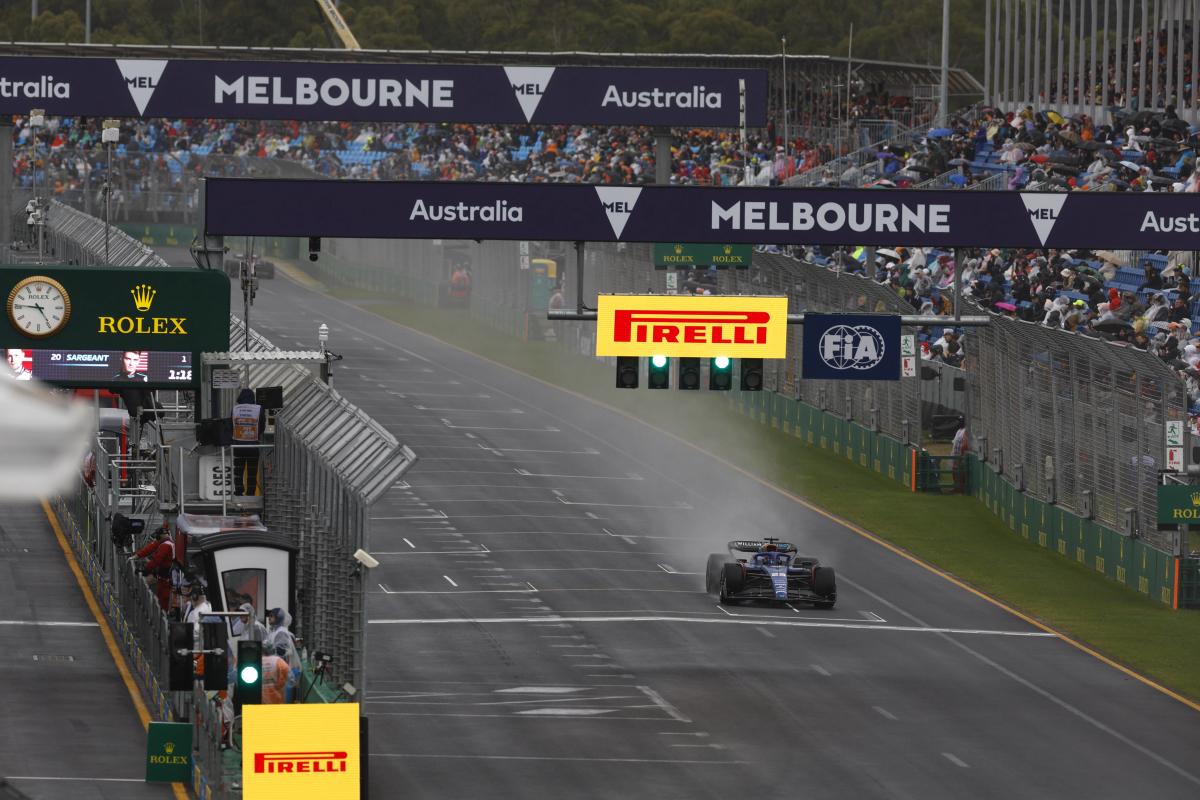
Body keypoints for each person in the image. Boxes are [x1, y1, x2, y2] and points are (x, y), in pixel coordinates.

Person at [231, 388, 266, 496]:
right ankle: (250, 492)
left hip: (238, 444)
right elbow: (262, 425)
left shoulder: (235, 408)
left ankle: (238, 491)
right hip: (253, 444)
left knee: (238, 470)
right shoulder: (258, 408)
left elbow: (231, 424)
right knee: (252, 471)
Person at [136, 526, 175, 612]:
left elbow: (157, 559)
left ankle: (163, 619)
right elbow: (151, 548)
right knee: (160, 599)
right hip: (164, 578)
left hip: (166, 579)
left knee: (163, 601)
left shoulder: (165, 546)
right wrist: (138, 555)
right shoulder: (168, 543)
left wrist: (145, 569)